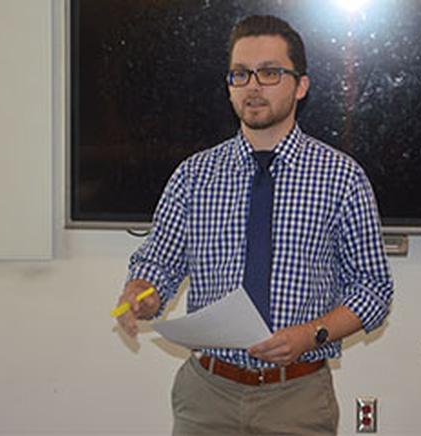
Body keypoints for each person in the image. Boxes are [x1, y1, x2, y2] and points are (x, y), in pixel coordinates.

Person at [116, 14, 393, 436]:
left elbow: (373, 289)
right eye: (241, 74)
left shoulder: (342, 178)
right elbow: (159, 265)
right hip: (207, 396)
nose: (253, 86)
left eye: (269, 73)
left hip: (297, 397)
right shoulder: (195, 175)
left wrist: (311, 334)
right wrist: (141, 294)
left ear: (300, 85)